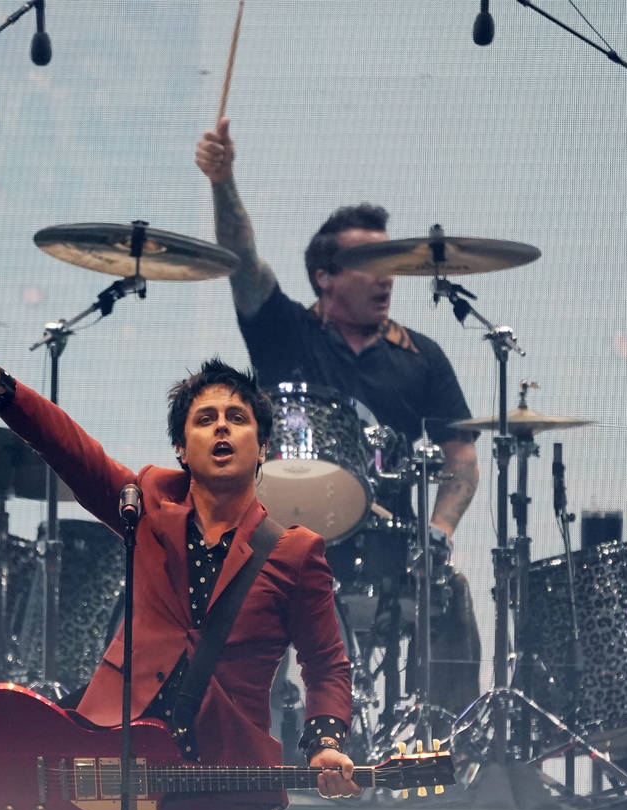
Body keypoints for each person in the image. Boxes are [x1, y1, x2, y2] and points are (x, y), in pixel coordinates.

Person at [0, 302, 357, 810]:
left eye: (236, 417)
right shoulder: (144, 506)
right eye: (204, 419)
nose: (221, 427)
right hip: (134, 779)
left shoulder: (295, 551)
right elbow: (67, 445)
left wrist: (326, 741)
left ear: (263, 447)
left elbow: (326, 660)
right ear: (182, 447)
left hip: (230, 784)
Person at [195, 118, 481, 716]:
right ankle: (240, 740)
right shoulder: (285, 332)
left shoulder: (423, 357)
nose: (386, 277)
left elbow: (460, 457)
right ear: (324, 277)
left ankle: (450, 752)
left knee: (451, 594)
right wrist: (223, 181)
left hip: (386, 547)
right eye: (368, 263)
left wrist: (441, 530)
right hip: (277, 537)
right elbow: (242, 260)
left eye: (390, 261)